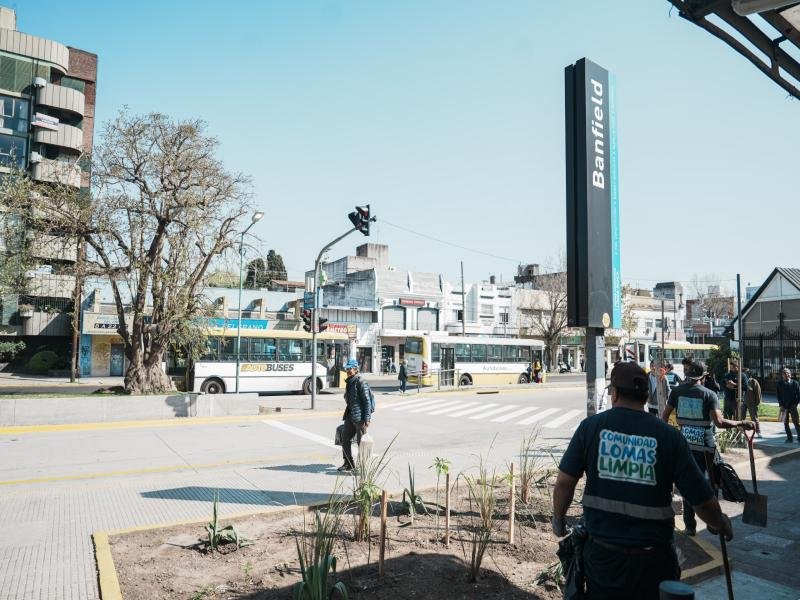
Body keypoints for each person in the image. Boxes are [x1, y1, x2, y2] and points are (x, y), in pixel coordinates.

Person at [552, 362, 733, 599]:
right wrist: (720, 523)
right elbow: (701, 499)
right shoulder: (669, 437)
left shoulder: (590, 428)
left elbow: (564, 483)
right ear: (647, 396)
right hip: (654, 561)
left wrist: (558, 519)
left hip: (603, 560)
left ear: (614, 393)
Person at [663, 360, 753, 535]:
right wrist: (742, 422)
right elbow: (719, 423)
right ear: (704, 376)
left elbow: (664, 416)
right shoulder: (709, 394)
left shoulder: (677, 391)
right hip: (705, 447)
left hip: (685, 446)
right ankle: (714, 522)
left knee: (688, 483)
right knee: (712, 483)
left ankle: (690, 526)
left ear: (687, 375)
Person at [338, 358, 373, 472]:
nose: (348, 370)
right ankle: (348, 463)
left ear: (356, 369)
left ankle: (363, 467)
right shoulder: (350, 381)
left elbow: (367, 401)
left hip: (360, 418)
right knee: (344, 438)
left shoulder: (361, 382)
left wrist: (367, 418)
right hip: (350, 415)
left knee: (361, 443)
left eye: (350, 368)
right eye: (347, 369)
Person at [776, 368, 800, 443]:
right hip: (784, 406)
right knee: (785, 423)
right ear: (782, 375)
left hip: (793, 406)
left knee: (796, 422)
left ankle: (799, 437)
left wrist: (795, 404)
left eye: (788, 373)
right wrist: (781, 405)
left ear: (790, 374)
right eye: (784, 373)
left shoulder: (795, 383)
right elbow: (778, 395)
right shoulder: (779, 383)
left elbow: (799, 395)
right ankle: (789, 438)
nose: (786, 374)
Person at [743, 369, 762, 438]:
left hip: (752, 403)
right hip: (742, 402)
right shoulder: (742, 381)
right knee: (741, 417)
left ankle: (758, 431)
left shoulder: (753, 381)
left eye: (746, 373)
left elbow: (758, 392)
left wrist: (757, 402)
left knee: (754, 418)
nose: (744, 374)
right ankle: (742, 431)